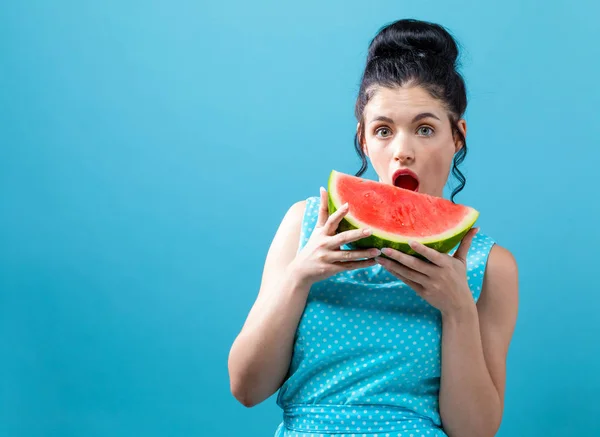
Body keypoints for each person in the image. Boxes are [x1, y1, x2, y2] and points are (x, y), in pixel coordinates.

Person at [228, 18, 519, 437]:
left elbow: (474, 431)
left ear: (458, 136)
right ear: (363, 140)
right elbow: (247, 388)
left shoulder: (491, 267)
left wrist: (458, 311)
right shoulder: (304, 226)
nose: (403, 152)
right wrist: (298, 276)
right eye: (383, 130)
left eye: (425, 129)